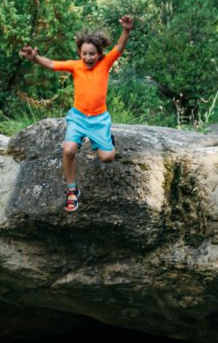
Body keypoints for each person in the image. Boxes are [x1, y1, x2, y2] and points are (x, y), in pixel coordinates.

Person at [20, 15, 134, 212]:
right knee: (69, 150)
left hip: (98, 120)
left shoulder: (105, 64)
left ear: (99, 54)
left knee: (107, 158)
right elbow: (52, 64)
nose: (88, 58)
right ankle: (72, 190)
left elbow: (119, 48)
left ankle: (108, 141)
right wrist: (35, 58)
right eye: (84, 54)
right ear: (80, 53)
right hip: (79, 117)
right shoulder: (75, 66)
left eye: (92, 54)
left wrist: (126, 30)